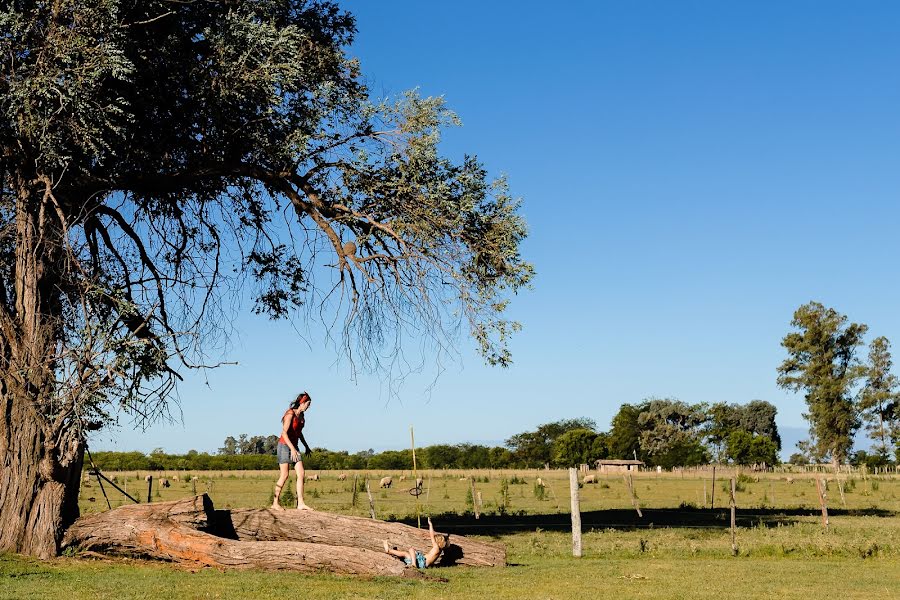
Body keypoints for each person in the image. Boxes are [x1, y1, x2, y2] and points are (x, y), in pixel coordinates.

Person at [271, 391, 313, 510]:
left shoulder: (302, 417)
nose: (309, 407)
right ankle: (275, 502)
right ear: (302, 402)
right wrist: (292, 449)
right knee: (284, 475)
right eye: (308, 404)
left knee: (301, 473)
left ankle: (300, 503)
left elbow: (299, 433)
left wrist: (306, 446)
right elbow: (284, 433)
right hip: (284, 446)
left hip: (294, 447)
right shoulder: (290, 414)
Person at [382, 517, 449, 569]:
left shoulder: (436, 547)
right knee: (405, 554)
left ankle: (413, 564)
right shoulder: (439, 551)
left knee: (411, 550)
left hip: (422, 562)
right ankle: (389, 551)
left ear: (438, 542)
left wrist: (430, 524)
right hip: (422, 564)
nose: (433, 541)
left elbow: (431, 534)